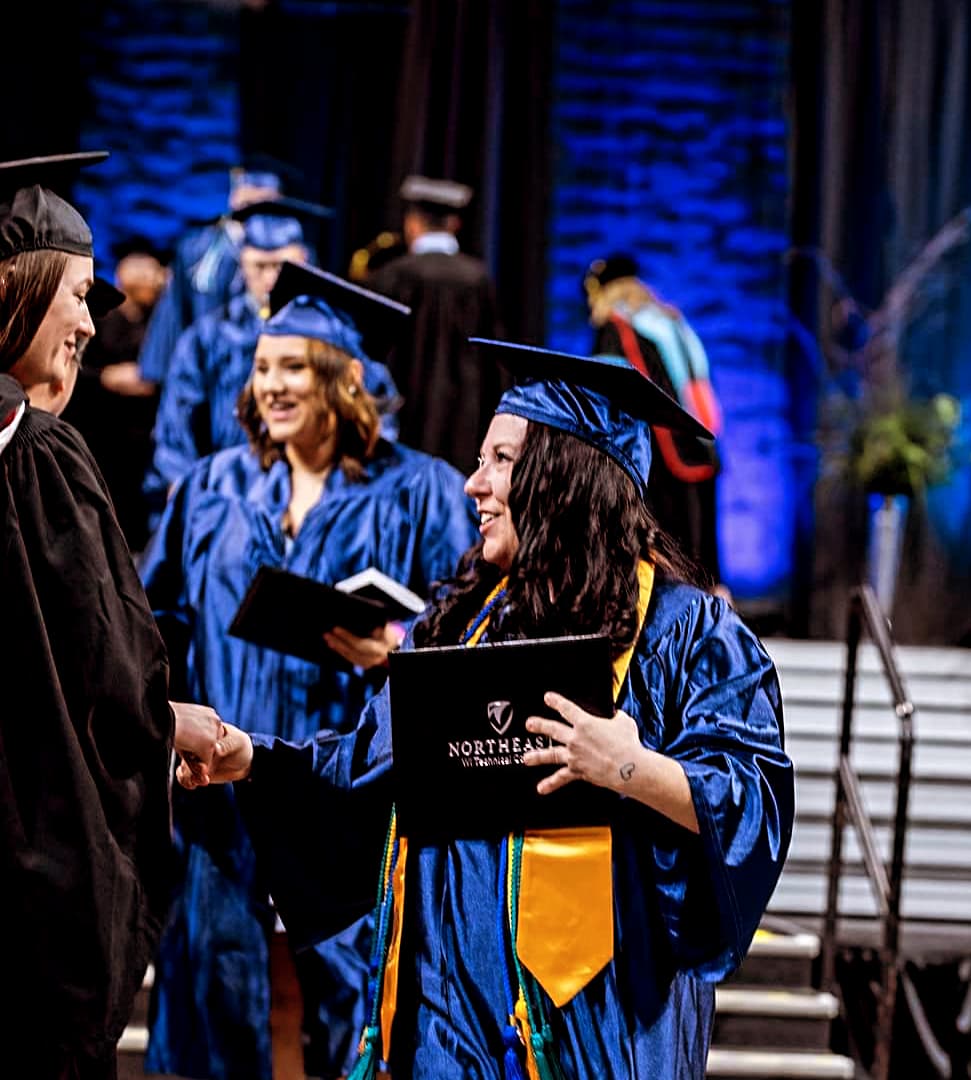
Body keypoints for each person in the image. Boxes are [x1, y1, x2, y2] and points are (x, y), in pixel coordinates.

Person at [174, 339, 796, 1079]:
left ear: (566, 476)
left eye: (501, 461)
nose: (474, 485)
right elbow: (366, 768)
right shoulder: (467, 624)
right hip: (445, 1022)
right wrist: (246, 754)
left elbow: (751, 801)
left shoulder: (684, 632)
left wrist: (627, 766)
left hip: (596, 1031)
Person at [142, 260, 479, 1080]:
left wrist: (400, 647)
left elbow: (475, 638)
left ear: (347, 377)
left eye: (294, 367)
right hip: (222, 782)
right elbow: (155, 623)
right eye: (263, 369)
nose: (273, 387)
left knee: (361, 995)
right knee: (214, 990)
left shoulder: (424, 492)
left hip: (350, 789)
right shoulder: (209, 488)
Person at [0, 151, 225, 1080]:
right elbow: (110, 670)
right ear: (20, 284)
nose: (93, 325)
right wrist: (169, 721)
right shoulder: (41, 456)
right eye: (80, 296)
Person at [145, 196, 405, 515]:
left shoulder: (336, 338)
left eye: (282, 267)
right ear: (242, 264)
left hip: (326, 500)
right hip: (226, 501)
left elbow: (377, 416)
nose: (271, 279)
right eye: (260, 266)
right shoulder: (207, 336)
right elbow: (176, 430)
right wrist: (195, 503)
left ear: (305, 260)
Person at [584, 253, 725, 584]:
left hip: (658, 455)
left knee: (665, 551)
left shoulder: (618, 326)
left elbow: (612, 394)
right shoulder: (670, 321)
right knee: (697, 548)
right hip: (698, 443)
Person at [136, 152, 322, 390]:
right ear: (235, 197)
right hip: (208, 372)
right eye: (247, 202)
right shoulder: (196, 250)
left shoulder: (296, 253)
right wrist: (163, 375)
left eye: (264, 202)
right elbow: (175, 312)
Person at [367, 173, 508, 476]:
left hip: (403, 420)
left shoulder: (391, 275)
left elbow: (371, 352)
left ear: (412, 224)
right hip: (466, 425)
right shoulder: (478, 279)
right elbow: (496, 364)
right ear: (454, 224)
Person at [63, 234, 170, 552]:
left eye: (153, 269)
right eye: (141, 268)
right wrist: (107, 378)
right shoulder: (97, 319)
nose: (150, 276)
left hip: (147, 438)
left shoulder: (162, 321)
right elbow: (76, 371)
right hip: (104, 434)